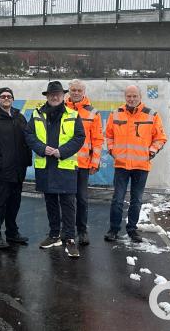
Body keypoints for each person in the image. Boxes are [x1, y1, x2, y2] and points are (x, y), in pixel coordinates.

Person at [25, 81, 85, 258]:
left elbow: (79, 137)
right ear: (46, 96)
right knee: (50, 202)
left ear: (63, 95)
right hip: (45, 166)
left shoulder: (73, 115)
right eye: (51, 94)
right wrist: (42, 148)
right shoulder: (37, 114)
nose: (55, 96)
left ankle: (70, 239)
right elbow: (28, 135)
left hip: (64, 165)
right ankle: (54, 235)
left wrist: (62, 152)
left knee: (68, 204)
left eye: (58, 93)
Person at [104, 85, 167, 243]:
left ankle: (132, 229)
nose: (131, 99)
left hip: (141, 166)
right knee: (117, 199)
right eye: (129, 96)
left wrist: (151, 152)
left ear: (140, 97)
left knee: (136, 200)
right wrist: (112, 150)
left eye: (134, 96)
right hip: (121, 165)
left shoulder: (151, 115)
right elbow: (109, 135)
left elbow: (160, 138)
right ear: (125, 97)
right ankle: (113, 230)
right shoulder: (116, 113)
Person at [0, 87, 32, 249]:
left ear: (12, 99)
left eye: (9, 96)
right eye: (2, 96)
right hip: (2, 170)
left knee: (15, 201)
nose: (6, 98)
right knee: (0, 202)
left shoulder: (19, 117)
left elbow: (28, 138)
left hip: (19, 169)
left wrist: (26, 160)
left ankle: (12, 232)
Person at [64, 79, 104, 246]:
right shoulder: (61, 109)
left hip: (82, 164)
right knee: (66, 198)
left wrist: (94, 162)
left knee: (81, 199)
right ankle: (66, 230)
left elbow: (97, 139)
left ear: (84, 92)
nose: (76, 93)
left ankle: (82, 230)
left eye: (79, 90)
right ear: (69, 91)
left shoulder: (93, 112)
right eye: (73, 90)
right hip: (64, 162)